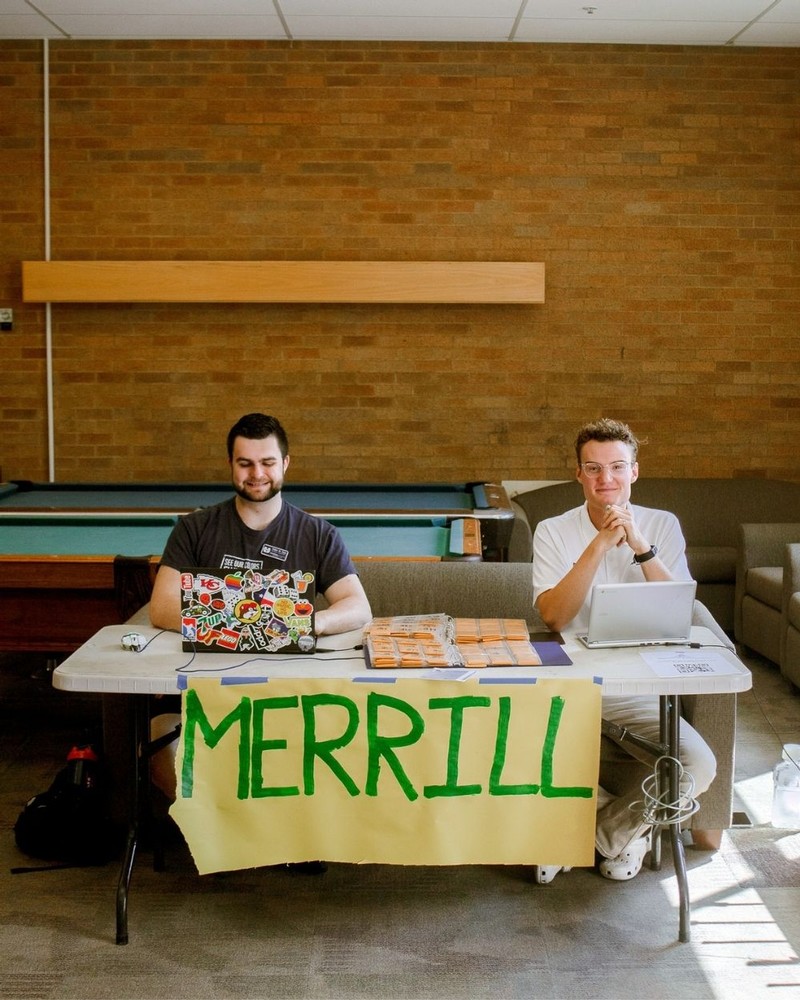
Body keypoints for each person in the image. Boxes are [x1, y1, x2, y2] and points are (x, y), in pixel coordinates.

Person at [147, 412, 373, 844]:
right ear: (231, 465)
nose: (257, 474)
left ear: (286, 464)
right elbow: (161, 606)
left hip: (289, 695)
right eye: (245, 463)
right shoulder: (194, 528)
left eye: (267, 462)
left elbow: (358, 607)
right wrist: (250, 622)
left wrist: (306, 622)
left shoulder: (317, 534)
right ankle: (233, 834)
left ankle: (274, 835)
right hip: (202, 691)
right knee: (159, 747)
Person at [531, 417, 716, 883]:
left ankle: (601, 834)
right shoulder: (553, 530)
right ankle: (605, 834)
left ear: (635, 471)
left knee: (696, 763)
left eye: (616, 467)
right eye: (593, 469)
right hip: (572, 672)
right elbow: (553, 617)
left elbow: (680, 610)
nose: (605, 480)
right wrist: (597, 546)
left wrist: (639, 545)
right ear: (578, 474)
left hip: (644, 676)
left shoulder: (663, 524)